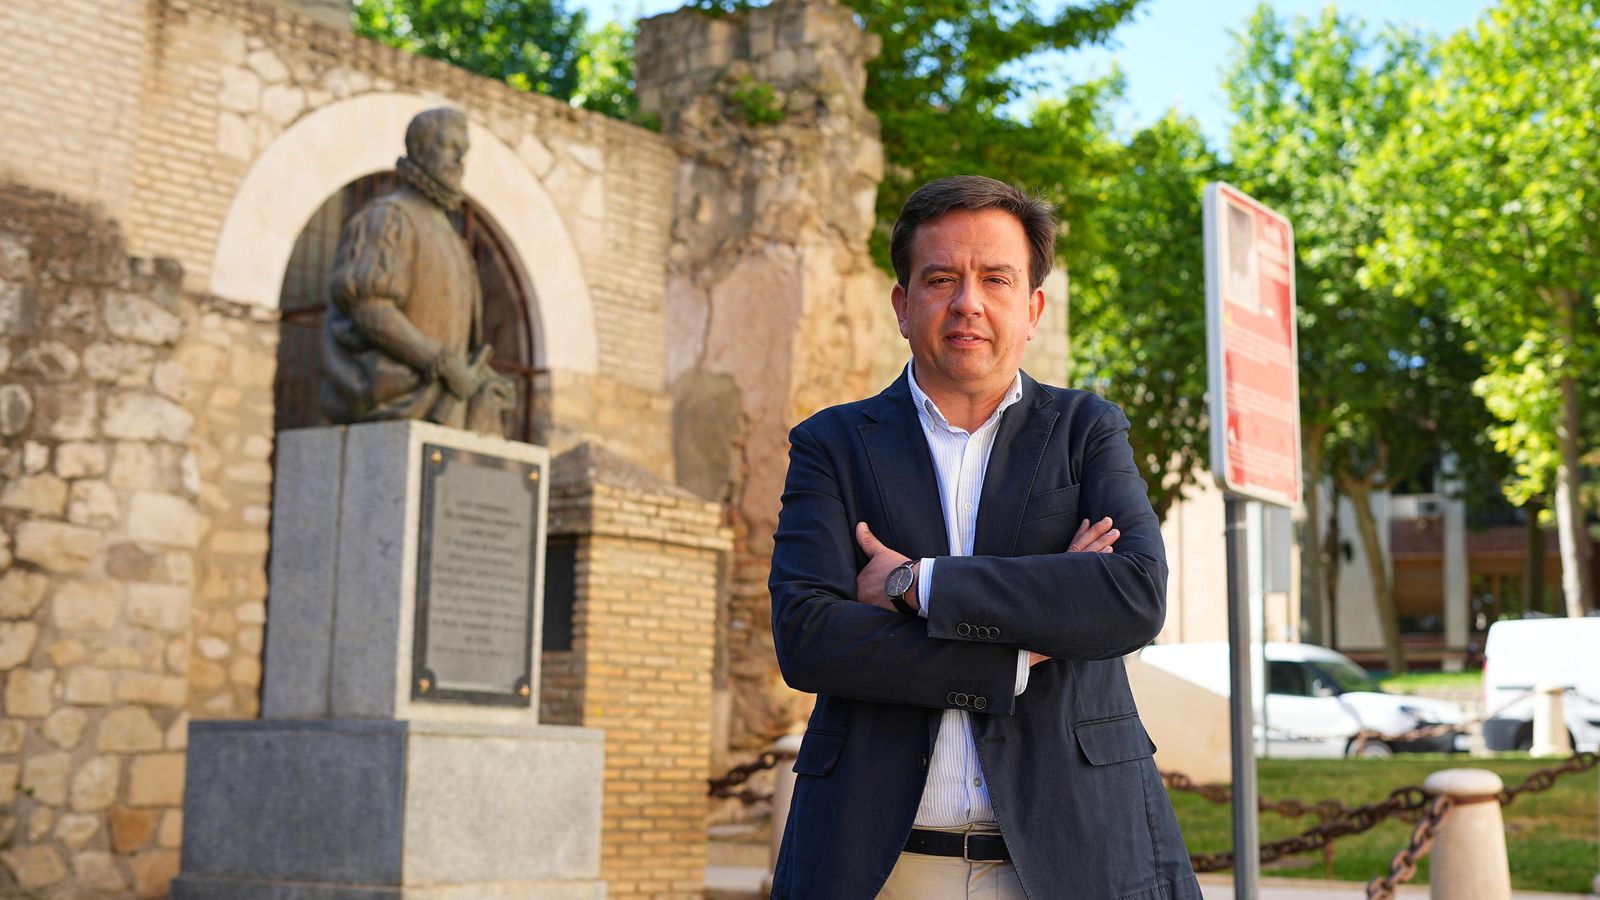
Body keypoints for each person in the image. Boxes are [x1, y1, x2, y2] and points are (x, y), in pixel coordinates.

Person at [768, 175, 1200, 898]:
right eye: (941, 278)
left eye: (995, 279)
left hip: (1074, 860)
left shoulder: (1087, 430)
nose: (968, 301)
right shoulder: (833, 444)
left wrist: (917, 584)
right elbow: (807, 635)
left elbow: (1132, 594)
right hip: (879, 867)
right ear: (903, 306)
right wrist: (1023, 647)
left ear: (1031, 308)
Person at [319, 107, 514, 436]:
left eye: (463, 152)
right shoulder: (387, 217)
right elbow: (371, 310)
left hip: (447, 402)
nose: (459, 161)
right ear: (420, 148)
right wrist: (440, 363)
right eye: (449, 147)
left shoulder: (453, 238)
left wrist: (478, 378)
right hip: (395, 395)